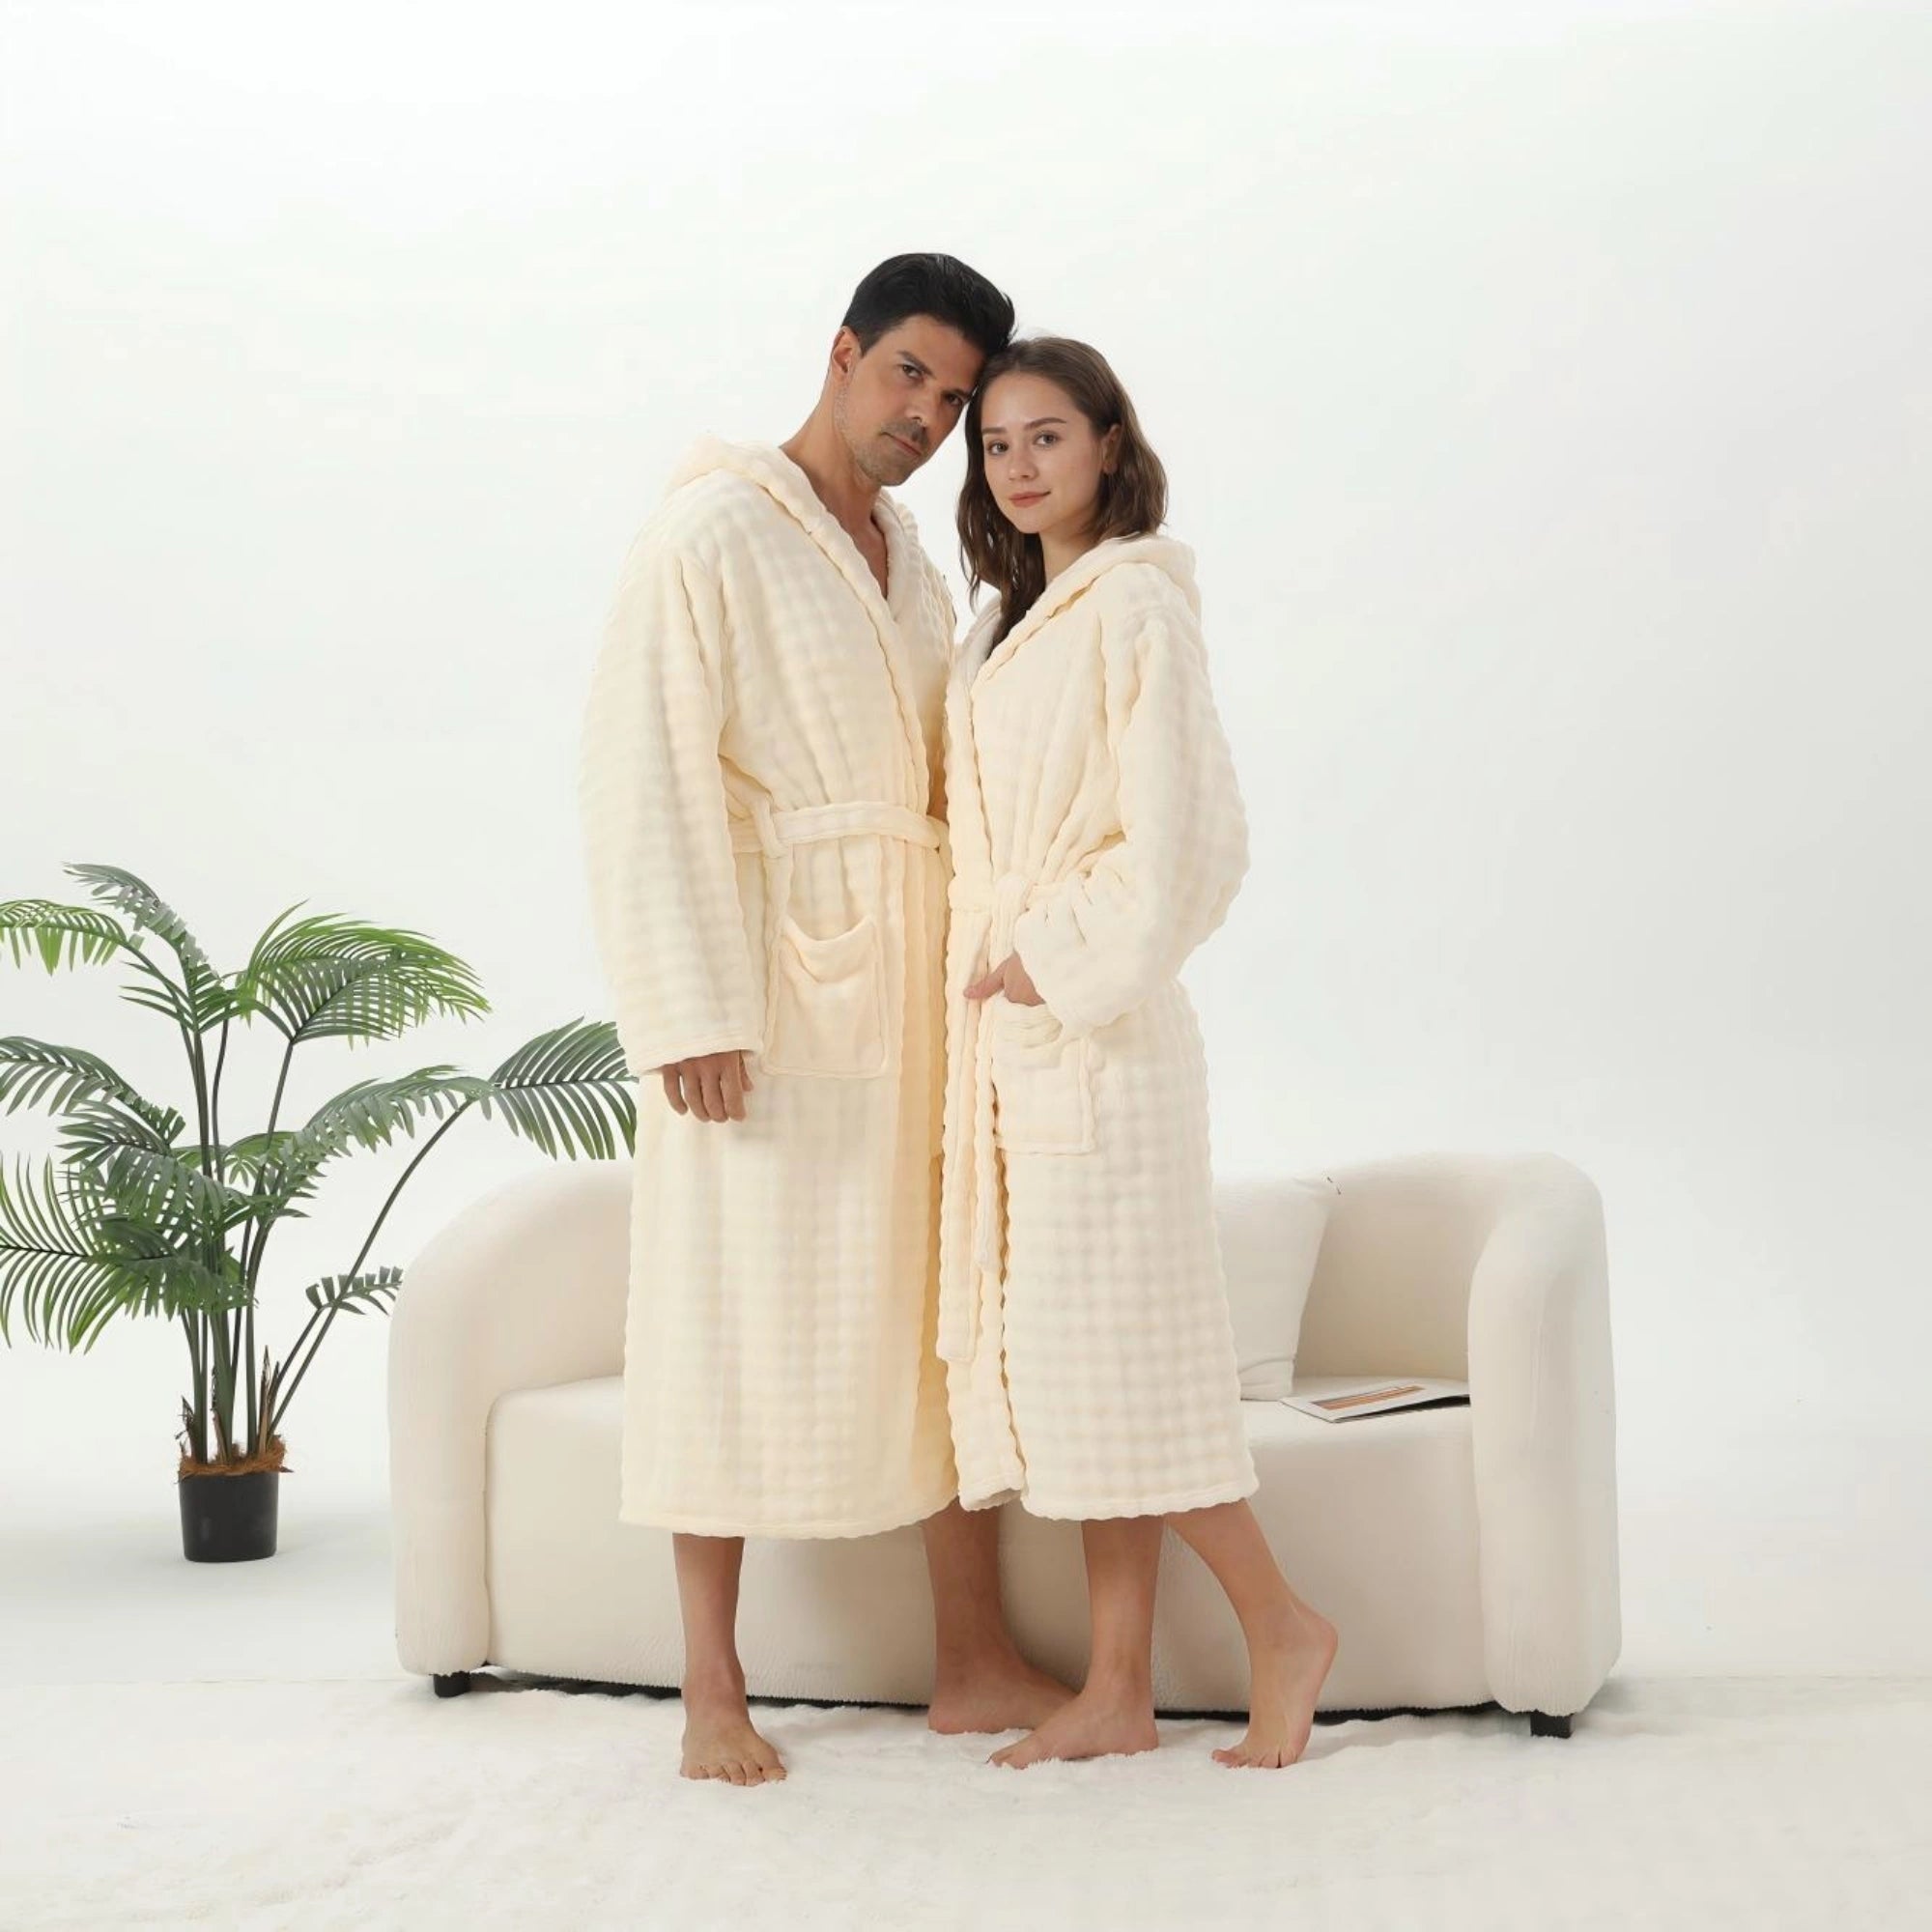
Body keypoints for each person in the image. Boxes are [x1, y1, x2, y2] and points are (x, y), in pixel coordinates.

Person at [577, 256, 1070, 1786]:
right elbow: (641, 772)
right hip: (765, 997)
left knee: (932, 1312)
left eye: (957, 398)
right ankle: (711, 1688)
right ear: (844, 352)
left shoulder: (907, 556)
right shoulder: (713, 532)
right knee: (722, 1306)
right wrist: (686, 1005)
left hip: (914, 990)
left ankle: (972, 1657)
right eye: (910, 373)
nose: (929, 415)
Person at [936, 335, 1341, 1770]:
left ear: (1110, 441)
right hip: (1022, 1048)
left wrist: (1042, 958)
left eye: (1048, 435)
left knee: (1124, 1374)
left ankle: (1283, 1625)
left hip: (1099, 1047)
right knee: (1083, 1381)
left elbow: (1191, 845)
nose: (1019, 465)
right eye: (995, 444)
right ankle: (1117, 1689)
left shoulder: (1136, 607)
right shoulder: (1004, 625)